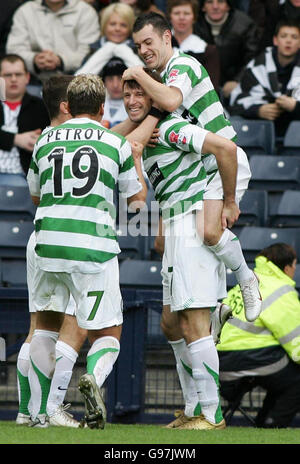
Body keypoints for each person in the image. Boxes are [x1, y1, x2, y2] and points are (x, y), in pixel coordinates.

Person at [122, 69, 249, 430]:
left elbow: (226, 148)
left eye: (139, 94)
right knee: (170, 323)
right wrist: (162, 232)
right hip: (175, 228)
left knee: (193, 324)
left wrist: (228, 202)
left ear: (154, 101)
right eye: (127, 94)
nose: (132, 100)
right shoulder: (144, 136)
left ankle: (212, 414)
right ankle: (193, 407)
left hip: (193, 225)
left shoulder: (171, 127)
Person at [122, 12, 262, 323]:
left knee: (208, 230)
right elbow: (148, 115)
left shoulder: (181, 65)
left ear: (167, 37)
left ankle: (246, 278)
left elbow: (171, 101)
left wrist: (229, 201)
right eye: (138, 46)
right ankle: (215, 307)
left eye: (149, 42)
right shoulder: (159, 81)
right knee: (180, 241)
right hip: (200, 167)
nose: (143, 50)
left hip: (224, 160)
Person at [26, 73, 147, 429]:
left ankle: (40, 412)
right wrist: (136, 160)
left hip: (48, 244)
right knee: (107, 333)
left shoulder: (46, 139)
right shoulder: (114, 142)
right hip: (92, 249)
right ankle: (91, 378)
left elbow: (35, 194)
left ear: (67, 106)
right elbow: (137, 202)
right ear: (100, 107)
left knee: (45, 327)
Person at [16, 75, 89, 428]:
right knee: (58, 328)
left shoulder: (44, 140)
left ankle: (27, 411)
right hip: (70, 240)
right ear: (67, 105)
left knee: (37, 327)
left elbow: (34, 195)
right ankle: (46, 410)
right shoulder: (74, 140)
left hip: (41, 236)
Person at [218, 243, 300, 428]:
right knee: (295, 378)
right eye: (295, 265)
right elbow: (296, 344)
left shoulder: (247, 282)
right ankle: (271, 425)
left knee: (284, 377)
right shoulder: (281, 290)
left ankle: (265, 422)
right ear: (287, 268)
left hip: (219, 364)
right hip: (250, 360)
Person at [229, 17, 300, 139]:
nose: (288, 41)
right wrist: (258, 110)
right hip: (260, 132)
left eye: (294, 37)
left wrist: (295, 107)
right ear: (275, 40)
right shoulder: (258, 65)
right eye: (284, 36)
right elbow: (236, 102)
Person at [6, 0, 100, 86]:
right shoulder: (25, 11)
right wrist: (34, 60)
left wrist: (61, 60)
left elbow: (90, 52)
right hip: (33, 81)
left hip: (76, 81)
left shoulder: (85, 11)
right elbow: (14, 50)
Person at [193, 0, 259, 100]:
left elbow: (252, 58)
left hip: (233, 84)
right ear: (203, 7)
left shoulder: (245, 24)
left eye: (220, 2)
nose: (215, 6)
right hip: (200, 85)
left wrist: (237, 80)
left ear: (228, 6)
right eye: (210, 2)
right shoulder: (193, 23)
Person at [0, 54, 49, 178]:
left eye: (18, 74)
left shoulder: (41, 107)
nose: (13, 79)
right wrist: (15, 139)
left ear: (27, 77)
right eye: (7, 75)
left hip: (27, 177)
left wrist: (39, 143)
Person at [75, 3, 143, 77]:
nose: (117, 29)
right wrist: (106, 51)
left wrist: (124, 51)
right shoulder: (93, 49)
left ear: (130, 28)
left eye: (123, 25)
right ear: (104, 25)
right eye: (113, 24)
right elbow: (79, 80)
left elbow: (147, 78)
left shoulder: (139, 49)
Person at [167, 0, 221, 90]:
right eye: (176, 13)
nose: (181, 17)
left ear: (194, 18)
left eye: (187, 13)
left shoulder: (207, 50)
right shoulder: (160, 46)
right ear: (170, 17)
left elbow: (210, 88)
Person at [101, 58, 130, 129]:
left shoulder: (136, 106)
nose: (115, 85)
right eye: (110, 79)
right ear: (104, 83)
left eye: (120, 78)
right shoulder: (95, 105)